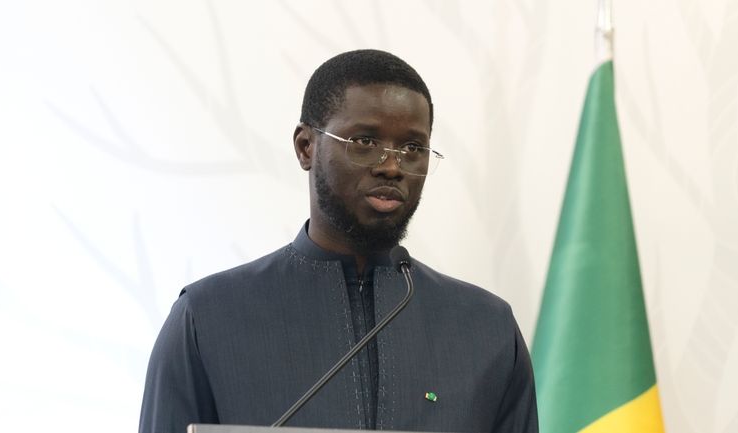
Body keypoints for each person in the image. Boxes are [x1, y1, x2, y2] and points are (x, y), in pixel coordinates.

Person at [139, 49, 538, 433]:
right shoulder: (208, 317)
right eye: (365, 142)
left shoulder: (487, 328)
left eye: (413, 148)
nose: (393, 166)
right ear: (305, 146)